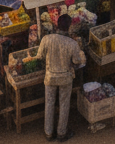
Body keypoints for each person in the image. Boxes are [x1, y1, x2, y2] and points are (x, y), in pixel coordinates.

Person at [36, 13, 85, 142]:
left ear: (56, 25)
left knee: (49, 103)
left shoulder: (46, 39)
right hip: (65, 78)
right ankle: (61, 133)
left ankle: (48, 133)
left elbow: (39, 56)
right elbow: (77, 61)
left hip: (50, 77)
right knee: (64, 104)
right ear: (69, 27)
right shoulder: (72, 43)